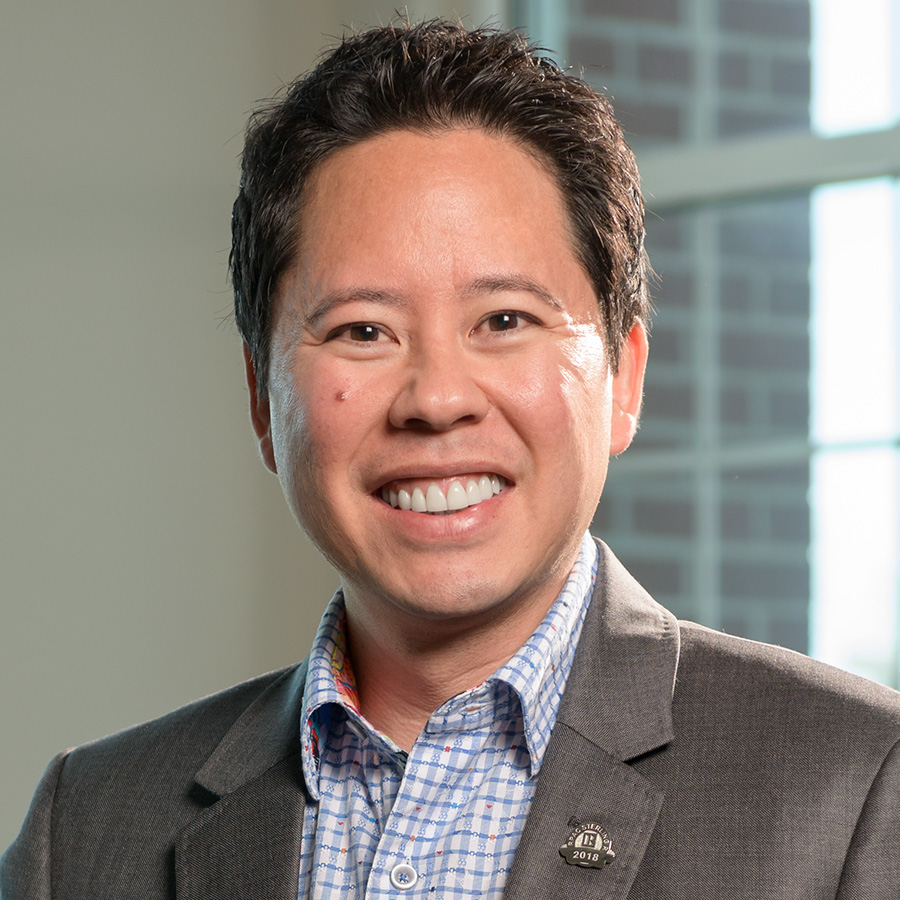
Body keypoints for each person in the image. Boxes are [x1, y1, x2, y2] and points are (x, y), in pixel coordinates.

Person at [3, 19, 900, 900]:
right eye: (362, 330)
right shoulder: (83, 831)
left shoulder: (856, 786)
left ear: (624, 377)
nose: (436, 399)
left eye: (504, 320)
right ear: (261, 400)